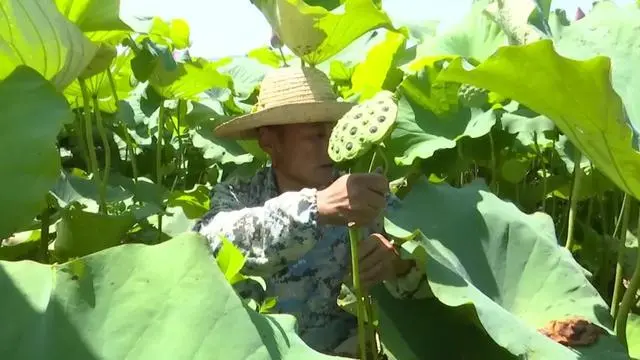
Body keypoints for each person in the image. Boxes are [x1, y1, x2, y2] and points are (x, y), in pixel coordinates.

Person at [194, 66, 428, 357]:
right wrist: (315, 208)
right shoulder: (238, 196)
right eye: (316, 136)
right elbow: (209, 245)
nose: (330, 146)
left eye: (332, 132)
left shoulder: (364, 194)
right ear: (269, 141)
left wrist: (398, 265)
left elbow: (434, 283)